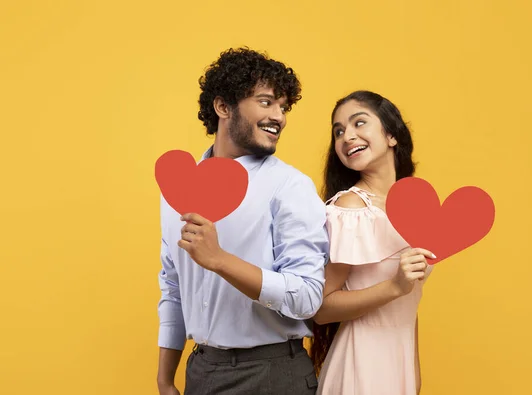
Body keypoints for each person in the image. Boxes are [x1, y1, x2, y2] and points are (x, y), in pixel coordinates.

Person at [156, 47, 329, 395]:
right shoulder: (176, 187)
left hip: (273, 375)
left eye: (283, 107)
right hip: (202, 371)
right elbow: (172, 286)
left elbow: (308, 296)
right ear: (223, 107)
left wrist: (220, 261)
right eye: (266, 102)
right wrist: (164, 378)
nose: (279, 116)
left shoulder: (290, 186)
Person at [309, 90, 435, 395]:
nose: (347, 136)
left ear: (391, 135)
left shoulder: (417, 212)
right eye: (338, 132)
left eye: (358, 123)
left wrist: (414, 376)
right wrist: (394, 286)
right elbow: (321, 307)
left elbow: (409, 304)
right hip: (361, 366)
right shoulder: (350, 211)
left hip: (399, 365)